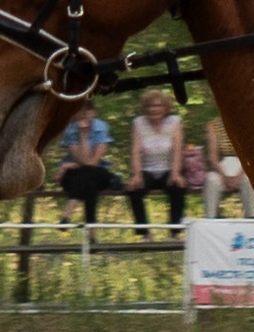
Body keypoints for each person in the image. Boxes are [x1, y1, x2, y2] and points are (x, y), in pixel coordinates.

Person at [128, 89, 190, 234]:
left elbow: (177, 150)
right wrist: (136, 175)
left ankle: (174, 232)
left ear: (165, 107)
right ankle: (144, 233)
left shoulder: (175, 121)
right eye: (150, 106)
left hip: (169, 168)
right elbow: (136, 151)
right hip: (148, 170)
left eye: (158, 106)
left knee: (178, 187)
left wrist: (175, 173)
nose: (154, 109)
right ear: (145, 108)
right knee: (133, 189)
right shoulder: (138, 123)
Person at [58, 103, 116, 237]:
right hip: (75, 178)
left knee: (89, 175)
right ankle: (91, 234)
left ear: (94, 113)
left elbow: (93, 162)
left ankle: (68, 212)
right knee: (89, 183)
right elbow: (83, 161)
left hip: (98, 171)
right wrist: (83, 136)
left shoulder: (102, 128)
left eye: (88, 110)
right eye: (80, 110)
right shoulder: (70, 130)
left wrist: (68, 165)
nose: (84, 114)